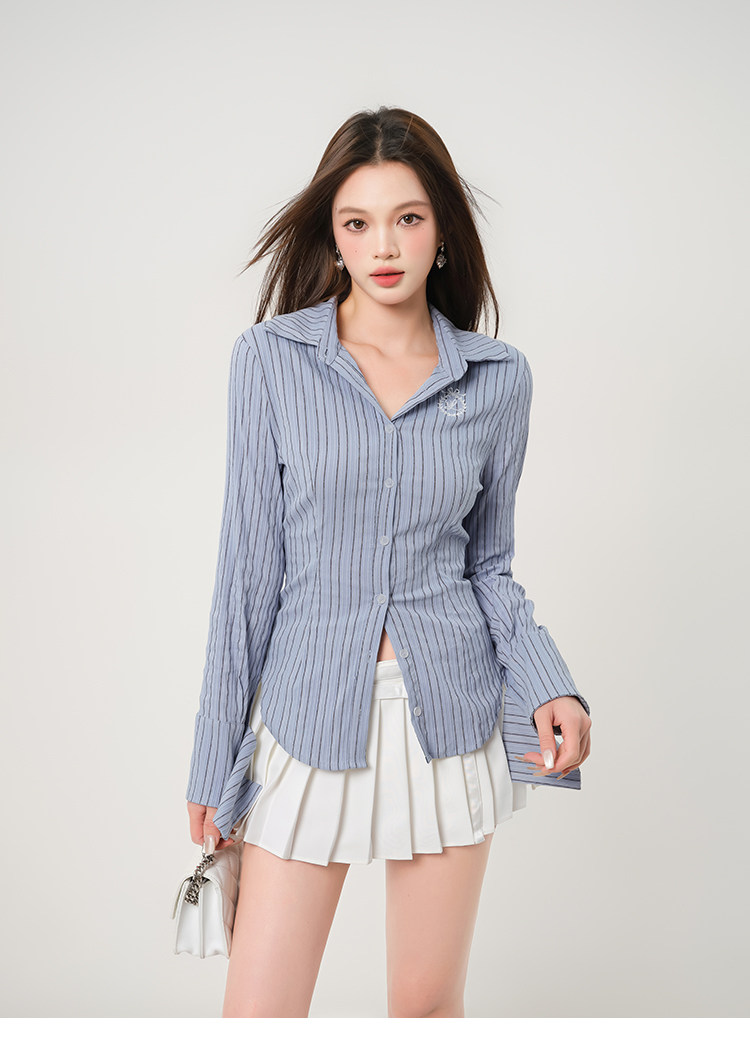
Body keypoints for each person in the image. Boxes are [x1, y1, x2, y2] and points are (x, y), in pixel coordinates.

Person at [185, 106, 592, 1018]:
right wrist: (214, 761)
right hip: (308, 714)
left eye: (407, 218)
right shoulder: (271, 363)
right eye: (357, 221)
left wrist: (550, 684)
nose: (384, 245)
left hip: (448, 712)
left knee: (425, 1010)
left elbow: (490, 566)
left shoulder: (498, 379)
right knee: (259, 1016)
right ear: (332, 236)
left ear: (442, 230)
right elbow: (245, 577)